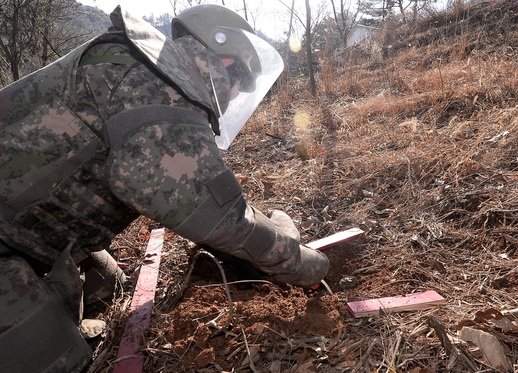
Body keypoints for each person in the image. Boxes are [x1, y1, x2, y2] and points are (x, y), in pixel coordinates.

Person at [0, 4, 330, 372]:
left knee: (108, 284)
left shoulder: (146, 68)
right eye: (238, 85)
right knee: (62, 362)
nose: (234, 98)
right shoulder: (150, 88)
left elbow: (193, 190)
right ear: (223, 61)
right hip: (9, 240)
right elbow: (215, 213)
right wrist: (298, 262)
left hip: (27, 232)